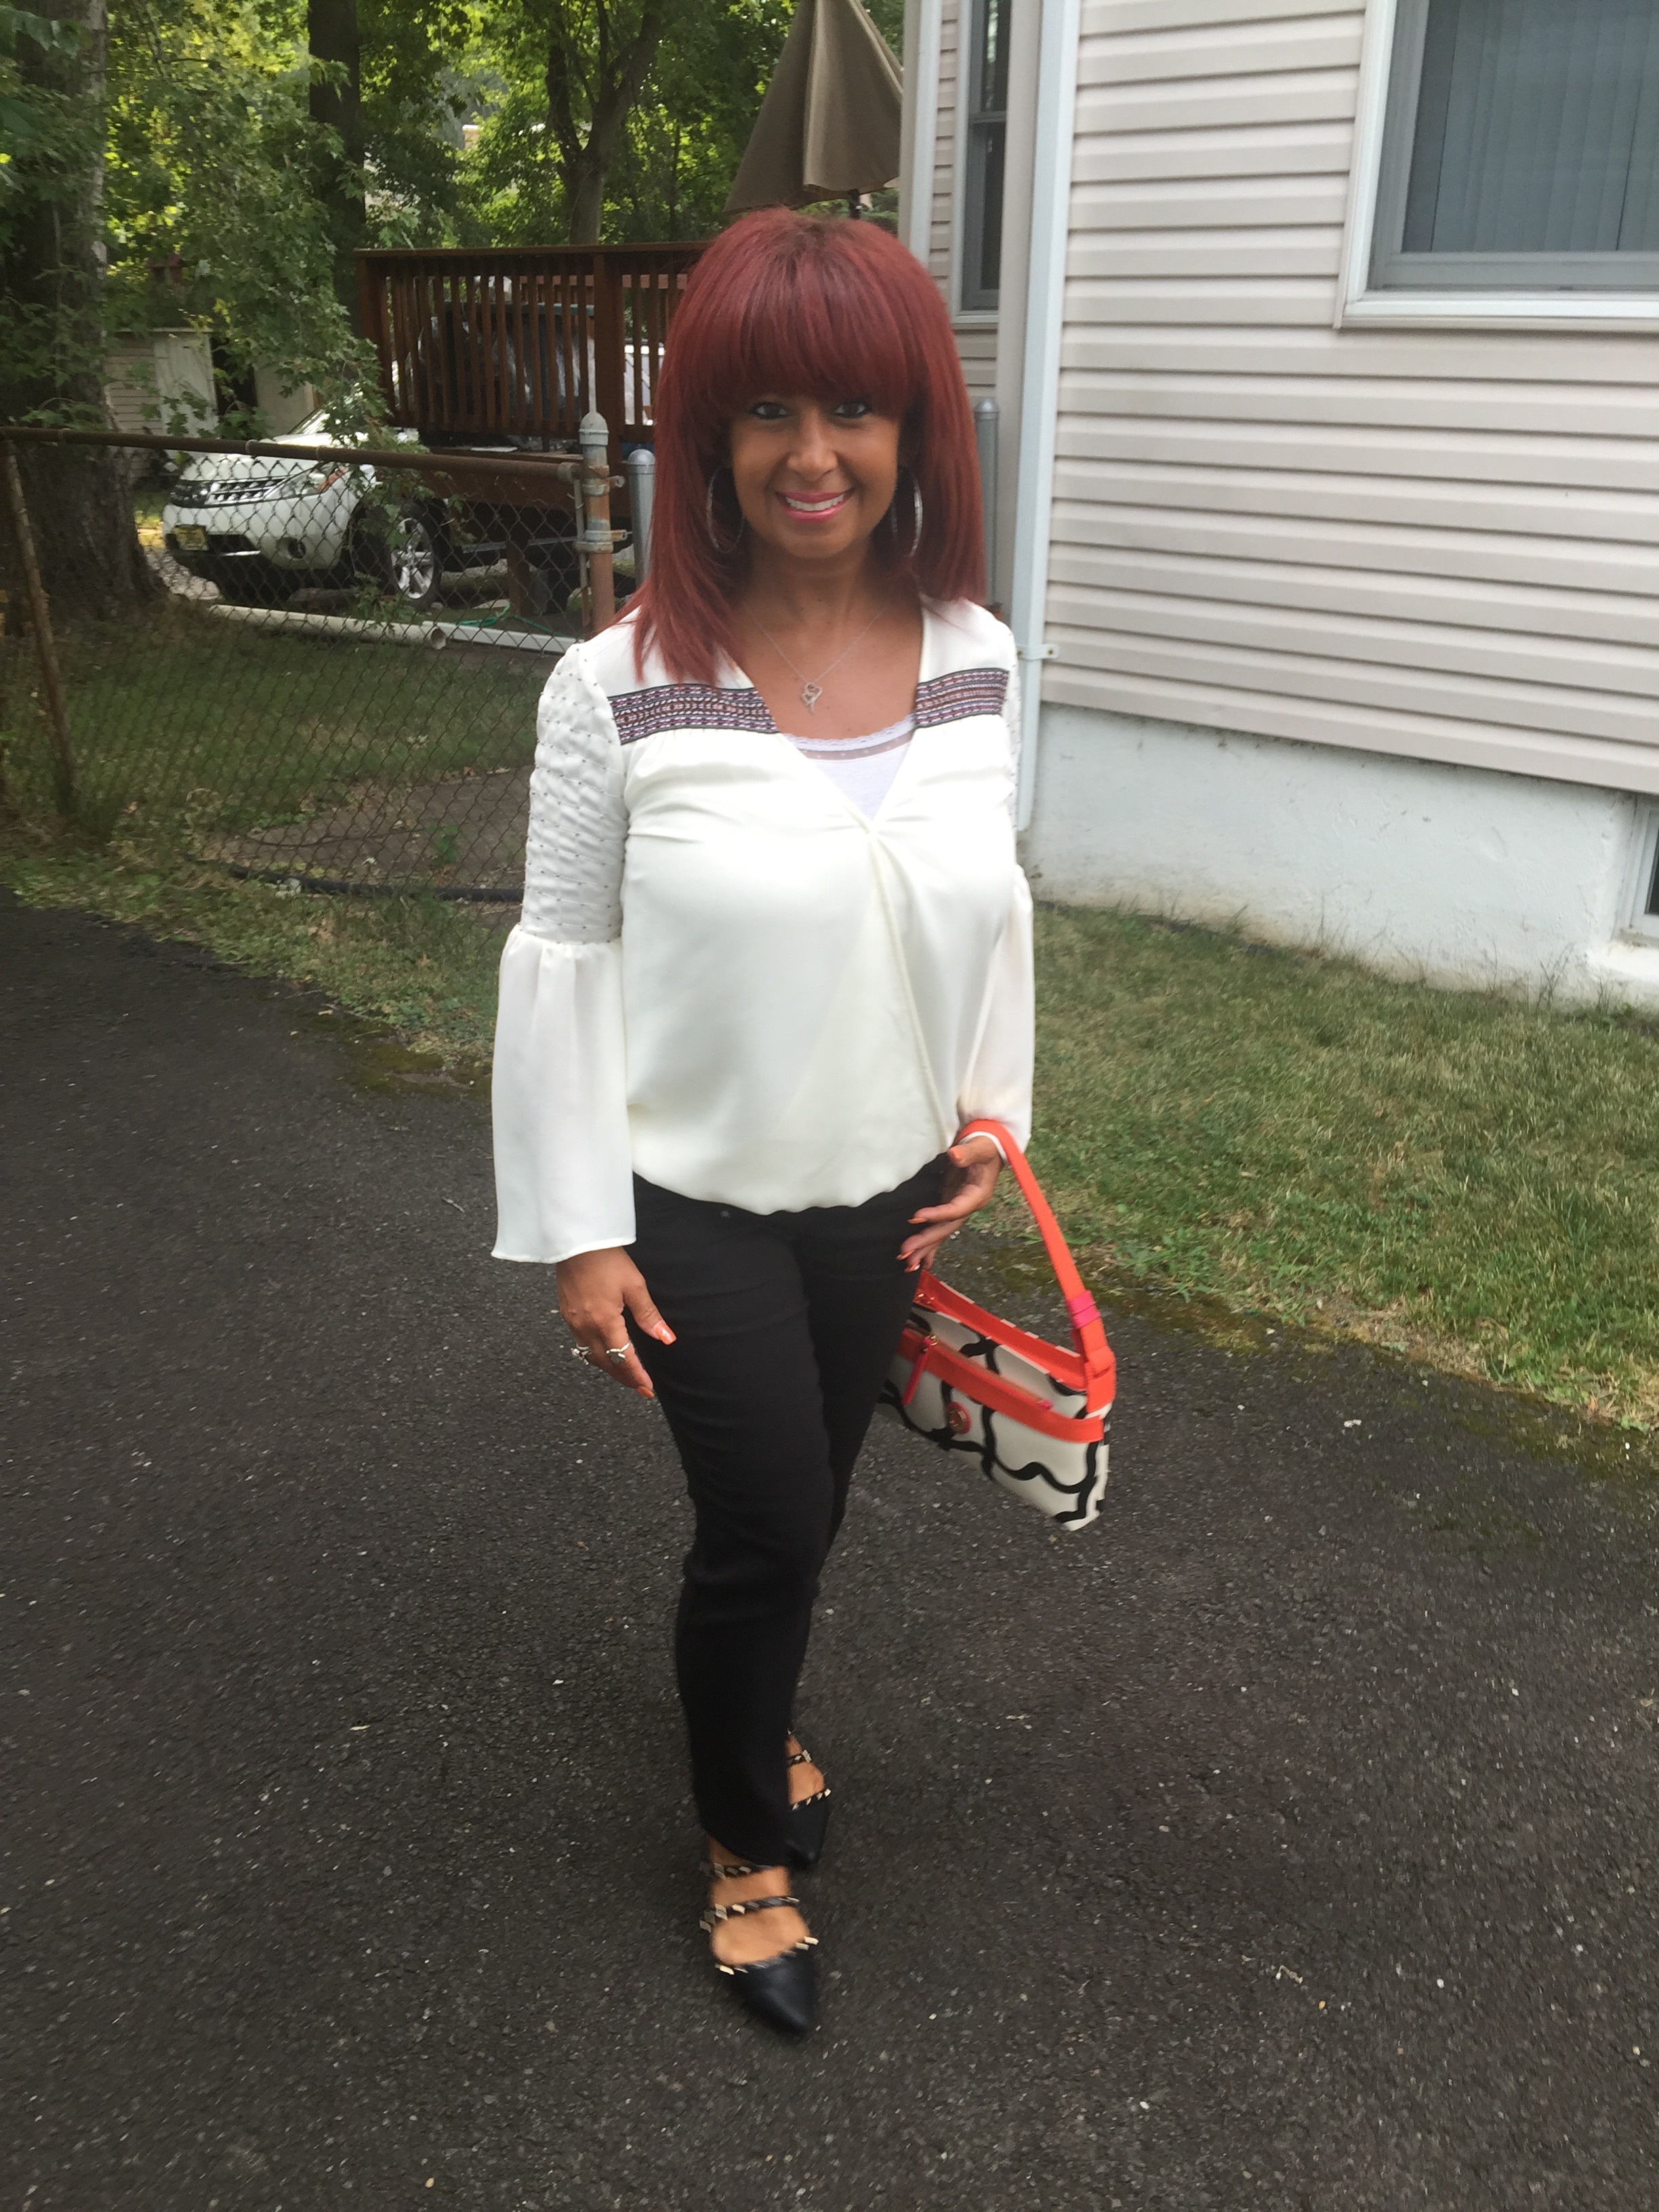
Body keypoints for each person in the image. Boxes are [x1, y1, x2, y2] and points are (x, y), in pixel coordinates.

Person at [491, 208, 1033, 2036]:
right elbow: (566, 961)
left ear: (914, 431)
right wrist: (581, 1233)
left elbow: (989, 904)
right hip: (695, 1199)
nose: (816, 454)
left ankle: (757, 1707)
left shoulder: (977, 655)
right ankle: (743, 1846)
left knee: (810, 1515)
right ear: (707, 437)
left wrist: (991, 1116)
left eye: (857, 409)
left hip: (884, 1191)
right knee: (768, 1524)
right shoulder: (618, 688)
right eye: (768, 410)